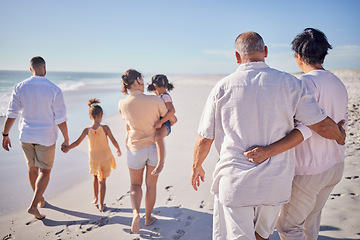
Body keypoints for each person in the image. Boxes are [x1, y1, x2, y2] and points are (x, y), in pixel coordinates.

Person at [190, 32, 345, 240]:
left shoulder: (222, 87)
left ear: (237, 56)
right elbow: (320, 124)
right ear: (265, 52)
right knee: (262, 235)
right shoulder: (291, 83)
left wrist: (196, 166)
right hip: (276, 180)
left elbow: (204, 138)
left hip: (236, 180)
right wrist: (340, 135)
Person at [244, 28, 348, 240]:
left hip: (310, 170)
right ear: (323, 53)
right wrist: (338, 134)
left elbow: (307, 129)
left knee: (289, 227)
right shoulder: (337, 82)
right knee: (311, 221)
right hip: (335, 165)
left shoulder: (305, 83)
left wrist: (267, 151)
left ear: (298, 56)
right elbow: (341, 125)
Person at [2, 56, 69, 220]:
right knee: (45, 171)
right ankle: (34, 205)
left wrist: (5, 134)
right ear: (44, 68)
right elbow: (60, 118)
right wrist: (66, 140)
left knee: (32, 169)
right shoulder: (54, 89)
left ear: (30, 69)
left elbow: (12, 113)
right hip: (46, 137)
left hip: (26, 135)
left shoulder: (20, 87)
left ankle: (40, 201)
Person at [118, 69, 168, 233]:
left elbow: (128, 124)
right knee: (151, 186)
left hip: (135, 148)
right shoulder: (155, 100)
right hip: (154, 147)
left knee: (135, 185)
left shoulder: (122, 104)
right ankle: (148, 217)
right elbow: (168, 118)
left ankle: (134, 214)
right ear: (138, 80)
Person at [62, 98, 121, 212]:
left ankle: (95, 198)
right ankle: (101, 204)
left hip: (93, 159)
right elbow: (113, 141)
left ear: (90, 116)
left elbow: (77, 142)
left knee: (95, 177)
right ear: (101, 115)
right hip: (104, 157)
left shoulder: (86, 130)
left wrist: (68, 148)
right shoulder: (105, 128)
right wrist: (118, 149)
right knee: (102, 181)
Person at [147, 74, 177, 175]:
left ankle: (160, 163)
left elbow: (172, 111)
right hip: (162, 121)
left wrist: (161, 122)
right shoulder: (159, 96)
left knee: (158, 137)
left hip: (165, 123)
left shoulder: (165, 96)